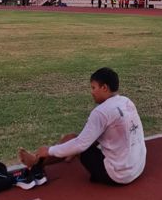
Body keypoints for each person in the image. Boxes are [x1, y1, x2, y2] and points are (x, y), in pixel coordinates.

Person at [17, 67, 146, 189]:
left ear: (104, 88)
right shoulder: (127, 102)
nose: (91, 92)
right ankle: (38, 164)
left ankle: (36, 163)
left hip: (118, 176)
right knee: (81, 141)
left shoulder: (101, 112)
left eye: (93, 87)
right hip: (137, 168)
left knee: (72, 139)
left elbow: (80, 144)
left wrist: (48, 151)